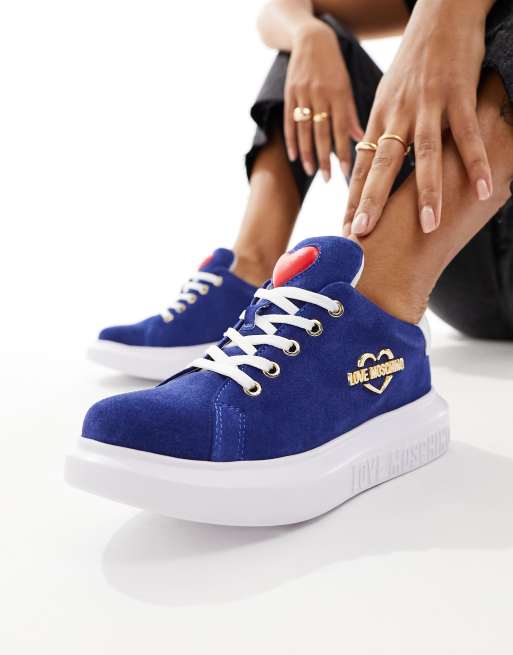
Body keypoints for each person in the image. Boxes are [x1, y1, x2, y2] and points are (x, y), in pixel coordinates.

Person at [65, 0, 513, 525]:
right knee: (320, 37)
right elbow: (284, 8)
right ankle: (249, 274)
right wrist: (308, 35)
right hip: (457, 260)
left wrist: (452, 15)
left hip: (439, 249)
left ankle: (374, 315)